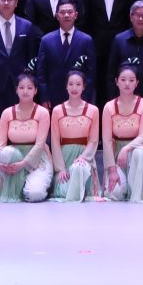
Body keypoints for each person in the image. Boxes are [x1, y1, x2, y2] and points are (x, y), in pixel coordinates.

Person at [80, 0, 136, 85]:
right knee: (99, 83)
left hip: (122, 45)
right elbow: (85, 22)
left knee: (120, 82)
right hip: (96, 46)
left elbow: (130, 21)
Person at [103, 64, 143, 202]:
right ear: (116, 81)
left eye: (131, 80)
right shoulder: (109, 107)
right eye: (123, 79)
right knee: (114, 194)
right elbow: (107, 141)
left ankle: (138, 194)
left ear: (137, 83)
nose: (127, 83)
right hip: (117, 152)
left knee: (139, 153)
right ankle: (124, 185)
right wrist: (112, 170)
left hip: (140, 149)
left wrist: (127, 148)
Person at [0, 75, 53, 202]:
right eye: (21, 87)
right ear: (16, 90)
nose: (25, 91)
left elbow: (39, 144)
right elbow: (0, 143)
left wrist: (23, 164)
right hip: (14, 159)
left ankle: (32, 184)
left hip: (37, 160)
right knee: (6, 152)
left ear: (35, 90)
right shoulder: (7, 113)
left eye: (29, 88)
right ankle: (13, 185)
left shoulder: (43, 113)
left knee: (35, 194)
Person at [48, 70, 101, 201]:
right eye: (71, 84)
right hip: (64, 157)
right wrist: (60, 168)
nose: (74, 88)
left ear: (84, 87)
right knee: (63, 192)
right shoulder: (57, 110)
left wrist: (83, 157)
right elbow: (55, 142)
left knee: (79, 169)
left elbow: (93, 140)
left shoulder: (93, 110)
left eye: (78, 84)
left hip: (84, 157)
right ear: (66, 86)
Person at [36, 0, 96, 105]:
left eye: (70, 12)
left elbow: (90, 73)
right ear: (57, 16)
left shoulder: (86, 40)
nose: (66, 15)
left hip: (79, 97)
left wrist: (85, 98)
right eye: (62, 12)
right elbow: (41, 73)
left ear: (76, 15)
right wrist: (44, 98)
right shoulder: (46, 40)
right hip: (53, 97)